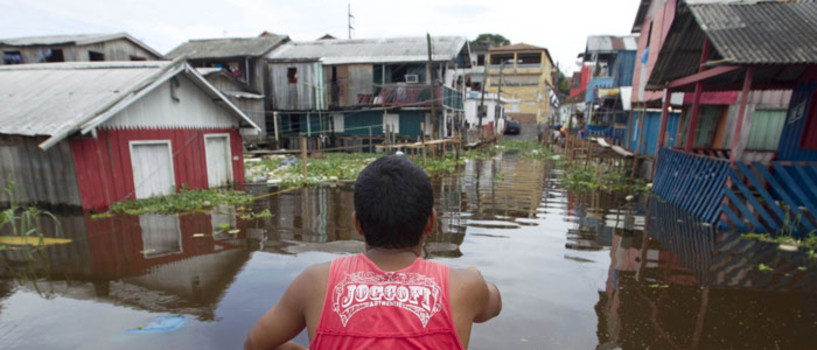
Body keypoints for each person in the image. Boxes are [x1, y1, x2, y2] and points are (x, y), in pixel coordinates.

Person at [245, 155, 502, 350]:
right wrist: (474, 274)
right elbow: (495, 304)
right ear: (431, 222)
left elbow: (255, 345)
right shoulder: (466, 287)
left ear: (357, 224)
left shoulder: (313, 282)